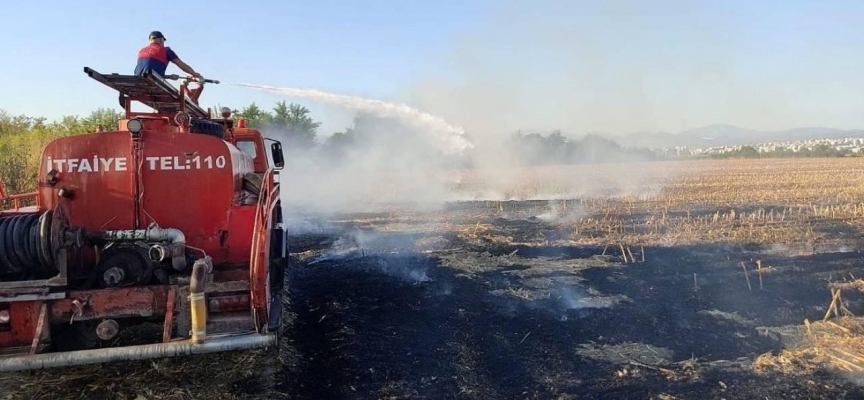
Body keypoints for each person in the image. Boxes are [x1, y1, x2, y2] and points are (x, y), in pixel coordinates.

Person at [135, 31, 202, 80]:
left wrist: (169, 76)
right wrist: (195, 74)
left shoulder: (141, 51)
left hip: (137, 80)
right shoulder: (165, 51)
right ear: (161, 40)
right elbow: (183, 66)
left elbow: (147, 72)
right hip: (153, 81)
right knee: (175, 97)